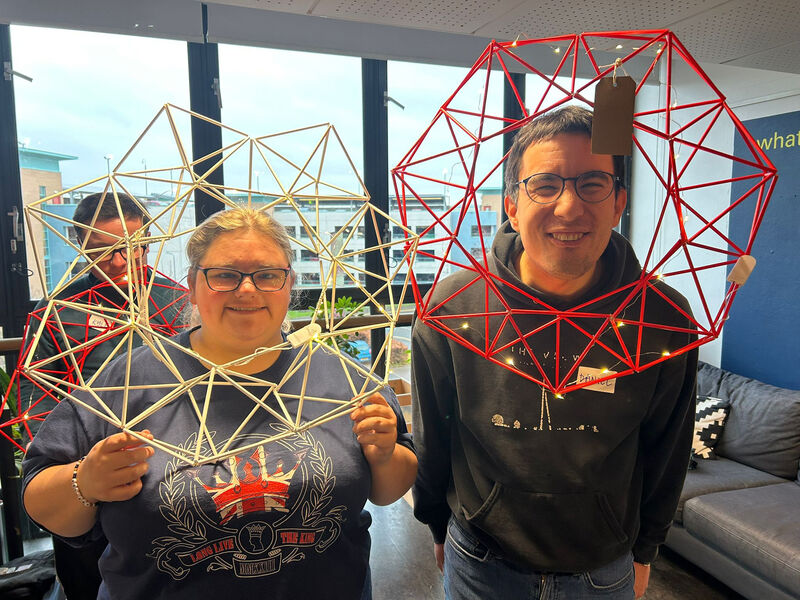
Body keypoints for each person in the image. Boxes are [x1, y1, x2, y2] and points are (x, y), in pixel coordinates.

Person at [22, 206, 417, 600]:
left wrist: (384, 456)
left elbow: (387, 490)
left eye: (267, 275)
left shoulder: (345, 379)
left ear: (289, 283)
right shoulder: (128, 381)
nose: (247, 290)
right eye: (225, 275)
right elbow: (40, 497)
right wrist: (85, 482)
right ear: (192, 286)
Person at [411, 106, 698, 599]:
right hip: (481, 559)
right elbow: (432, 434)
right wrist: (436, 523)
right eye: (544, 185)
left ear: (619, 202)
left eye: (592, 184)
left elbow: (667, 448)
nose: (568, 207)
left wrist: (647, 549)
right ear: (512, 205)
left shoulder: (662, 317)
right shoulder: (453, 308)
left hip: (603, 569)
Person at [18, 191, 189, 600]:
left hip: (173, 474)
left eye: (132, 247)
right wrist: (67, 469)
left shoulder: (182, 301)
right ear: (80, 244)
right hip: (86, 475)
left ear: (148, 241)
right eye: (102, 250)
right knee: (86, 582)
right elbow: (34, 397)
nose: (119, 261)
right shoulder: (57, 311)